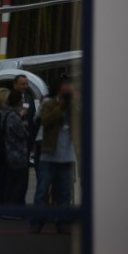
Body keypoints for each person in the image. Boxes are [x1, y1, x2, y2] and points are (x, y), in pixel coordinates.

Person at [30, 76, 80, 234]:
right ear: (60, 87)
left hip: (68, 156)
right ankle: (37, 222)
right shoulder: (49, 103)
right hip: (49, 155)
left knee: (65, 193)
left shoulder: (74, 106)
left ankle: (62, 223)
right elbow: (45, 121)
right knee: (42, 191)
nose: (70, 87)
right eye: (67, 85)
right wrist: (61, 107)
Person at [2, 89, 29, 205]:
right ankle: (15, 208)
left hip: (9, 153)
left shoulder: (5, 113)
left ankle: (8, 208)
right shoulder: (14, 115)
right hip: (17, 154)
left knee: (11, 183)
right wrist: (25, 125)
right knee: (21, 183)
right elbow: (23, 133)